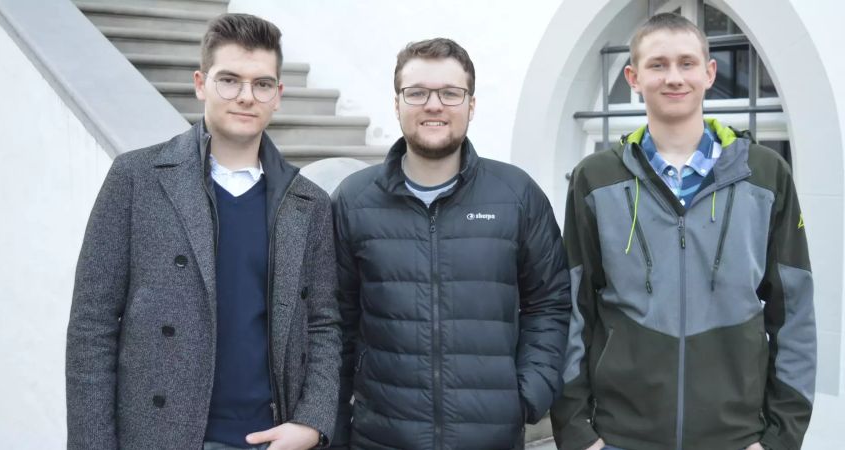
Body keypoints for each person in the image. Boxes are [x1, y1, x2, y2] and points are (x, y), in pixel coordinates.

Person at [66, 13, 341, 450]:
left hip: (268, 438)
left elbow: (324, 323)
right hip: (156, 436)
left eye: (262, 84)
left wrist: (311, 422)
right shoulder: (137, 178)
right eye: (229, 80)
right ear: (200, 84)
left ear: (278, 95)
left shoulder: (308, 202)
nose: (246, 97)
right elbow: (92, 326)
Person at [551, 12, 816, 450]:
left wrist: (779, 440)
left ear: (709, 73)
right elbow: (573, 310)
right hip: (621, 436)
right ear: (633, 77)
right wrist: (578, 433)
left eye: (687, 63)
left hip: (736, 438)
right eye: (658, 65)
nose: (674, 77)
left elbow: (795, 313)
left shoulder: (766, 175)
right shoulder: (595, 179)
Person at [330, 38, 571, 449]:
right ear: (397, 103)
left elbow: (550, 302)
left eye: (450, 93)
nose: (434, 105)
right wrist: (335, 419)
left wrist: (527, 395)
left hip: (490, 436)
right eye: (418, 92)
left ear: (471, 105)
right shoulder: (353, 201)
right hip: (382, 436)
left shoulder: (516, 195)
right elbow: (335, 320)